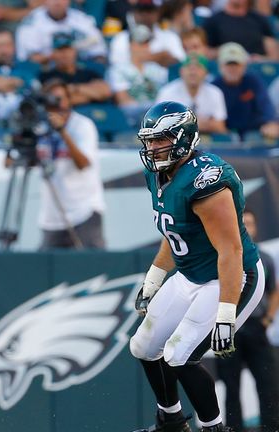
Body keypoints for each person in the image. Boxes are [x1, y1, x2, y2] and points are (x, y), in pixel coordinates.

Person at [130, 101, 265, 432]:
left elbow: (231, 250)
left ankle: (213, 427)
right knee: (144, 347)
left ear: (183, 137)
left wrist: (225, 314)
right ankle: (172, 420)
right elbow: (174, 231)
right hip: (191, 275)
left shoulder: (206, 180)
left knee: (179, 355)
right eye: (149, 140)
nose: (153, 148)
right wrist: (154, 279)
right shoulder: (158, 173)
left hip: (231, 276)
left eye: (161, 139)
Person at [215, 209, 279, 432]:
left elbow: (275, 291)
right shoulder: (220, 256)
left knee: (268, 384)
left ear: (256, 227)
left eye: (250, 223)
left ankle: (270, 428)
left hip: (256, 326)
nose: (246, 227)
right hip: (228, 326)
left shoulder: (266, 259)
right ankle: (234, 428)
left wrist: (268, 319)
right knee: (231, 387)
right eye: (242, 223)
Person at [33, 78, 105, 249]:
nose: (56, 104)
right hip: (52, 215)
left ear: (69, 100)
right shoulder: (41, 128)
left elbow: (83, 163)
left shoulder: (82, 125)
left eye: (60, 98)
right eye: (51, 99)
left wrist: (63, 132)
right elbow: (21, 162)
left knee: (92, 266)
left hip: (84, 210)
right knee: (47, 271)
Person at [213, 42, 279, 140]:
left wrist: (271, 122)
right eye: (229, 64)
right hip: (224, 133)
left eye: (237, 64)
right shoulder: (214, 87)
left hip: (253, 131)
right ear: (221, 66)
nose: (233, 69)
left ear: (244, 66)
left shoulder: (253, 82)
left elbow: (266, 106)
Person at [15, 0, 107, 64]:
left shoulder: (81, 19)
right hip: (47, 71)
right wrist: (59, 55)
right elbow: (28, 60)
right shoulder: (32, 22)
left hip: (80, 67)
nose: (57, 2)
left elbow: (100, 54)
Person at [155, 54, 227, 135]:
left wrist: (181, 123)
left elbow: (220, 127)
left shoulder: (215, 92)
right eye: (189, 68)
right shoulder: (167, 92)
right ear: (181, 71)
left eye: (198, 68)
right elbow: (159, 125)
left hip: (207, 141)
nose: (193, 72)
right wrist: (199, 123)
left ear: (206, 73)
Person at [38, 31, 111, 107]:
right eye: (60, 50)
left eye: (67, 49)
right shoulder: (46, 76)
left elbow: (105, 92)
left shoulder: (88, 73)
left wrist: (74, 88)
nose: (64, 54)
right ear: (53, 54)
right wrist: (90, 94)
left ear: (74, 51)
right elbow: (59, 101)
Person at [203, 0, 279, 61]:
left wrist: (262, 59)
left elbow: (274, 54)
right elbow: (204, 51)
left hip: (255, 66)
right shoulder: (213, 21)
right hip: (228, 66)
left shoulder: (260, 20)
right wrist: (223, 52)